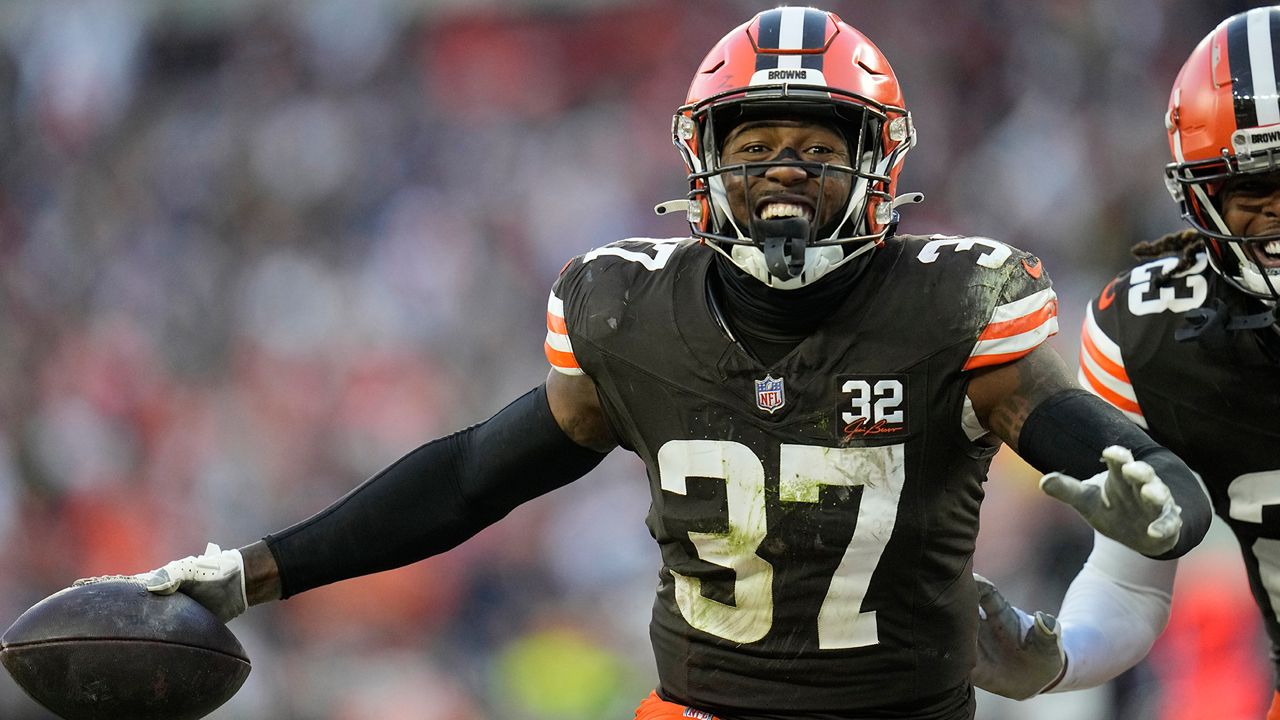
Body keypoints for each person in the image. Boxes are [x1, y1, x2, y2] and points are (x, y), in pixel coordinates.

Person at [76, 7, 1211, 720]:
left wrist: (1142, 479)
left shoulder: (954, 301)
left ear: (878, 166)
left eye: (817, 146)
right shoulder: (629, 309)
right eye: (752, 144)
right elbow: (473, 475)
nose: (781, 171)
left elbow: (1071, 430)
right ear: (700, 162)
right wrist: (255, 571)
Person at [971, 5, 1280, 715]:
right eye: (1251, 190)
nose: (1276, 216)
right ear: (1199, 199)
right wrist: (1059, 655)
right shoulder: (1152, 336)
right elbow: (1135, 580)